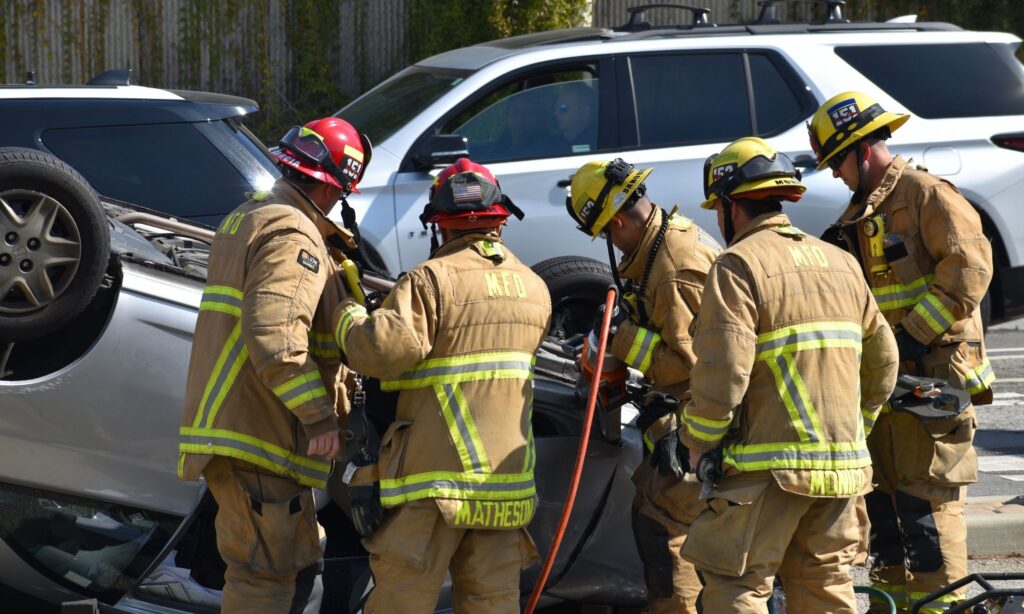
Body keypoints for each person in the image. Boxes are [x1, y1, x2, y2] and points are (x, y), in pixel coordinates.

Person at [679, 136, 899, 613]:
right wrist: (856, 427)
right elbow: (884, 362)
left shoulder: (738, 265)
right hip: (843, 472)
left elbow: (725, 371)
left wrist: (698, 440)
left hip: (770, 472)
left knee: (737, 585)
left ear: (730, 206)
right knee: (824, 586)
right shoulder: (842, 263)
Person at [333, 158, 550, 613]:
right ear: (500, 221)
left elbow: (380, 352)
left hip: (434, 484)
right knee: (493, 604)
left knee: (400, 601)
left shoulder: (429, 281)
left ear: (440, 225)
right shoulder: (536, 290)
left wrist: (348, 317)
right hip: (505, 489)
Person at [808, 91, 995, 612]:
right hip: (890, 388)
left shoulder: (926, 195)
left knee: (927, 508)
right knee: (886, 516)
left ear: (863, 150)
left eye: (838, 161)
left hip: (932, 380)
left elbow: (969, 269)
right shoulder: (859, 215)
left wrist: (912, 335)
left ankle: (941, 608)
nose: (835, 174)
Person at [178, 116, 372, 612]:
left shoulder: (251, 215)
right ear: (336, 186)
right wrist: (320, 417)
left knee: (294, 560)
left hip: (246, 430)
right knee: (264, 577)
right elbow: (277, 340)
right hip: (261, 435)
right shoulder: (295, 233)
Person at [565, 158, 721, 613]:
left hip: (709, 416)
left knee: (663, 522)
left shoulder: (672, 267)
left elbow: (693, 363)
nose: (611, 244)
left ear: (617, 222)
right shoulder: (666, 241)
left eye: (607, 234)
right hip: (698, 408)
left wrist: (623, 338)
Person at [554, 82, 597, 154]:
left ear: (584, 112)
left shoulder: (597, 145)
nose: (555, 113)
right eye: (555, 108)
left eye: (562, 108)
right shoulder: (552, 143)